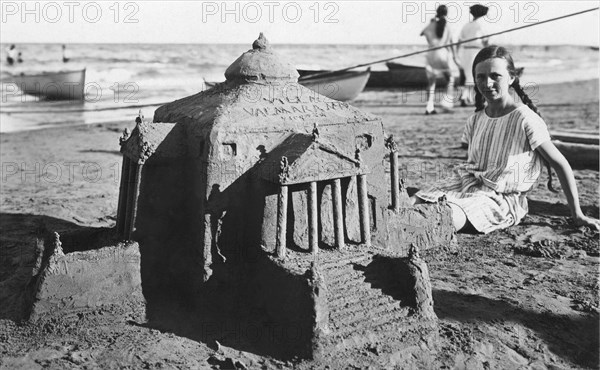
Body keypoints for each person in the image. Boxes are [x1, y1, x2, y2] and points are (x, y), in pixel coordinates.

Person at [412, 45, 600, 233]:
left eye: (495, 76)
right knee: (413, 201)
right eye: (481, 76)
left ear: (511, 77)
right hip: (467, 184)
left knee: (443, 216)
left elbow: (561, 164)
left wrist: (578, 214)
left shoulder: (525, 118)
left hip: (501, 199)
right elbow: (476, 164)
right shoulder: (475, 119)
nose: (487, 83)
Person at [420, 5, 461, 115]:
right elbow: (451, 43)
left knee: (431, 82)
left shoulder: (432, 23)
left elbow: (421, 33)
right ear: (446, 13)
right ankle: (446, 103)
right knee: (450, 79)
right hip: (442, 53)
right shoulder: (447, 25)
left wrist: (432, 22)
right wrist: (455, 57)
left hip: (431, 53)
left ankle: (429, 107)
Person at [458, 4, 490, 106]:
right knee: (473, 75)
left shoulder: (467, 25)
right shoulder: (481, 25)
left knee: (467, 75)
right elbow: (486, 40)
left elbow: (460, 39)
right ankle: (465, 97)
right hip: (475, 51)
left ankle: (465, 97)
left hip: (465, 52)